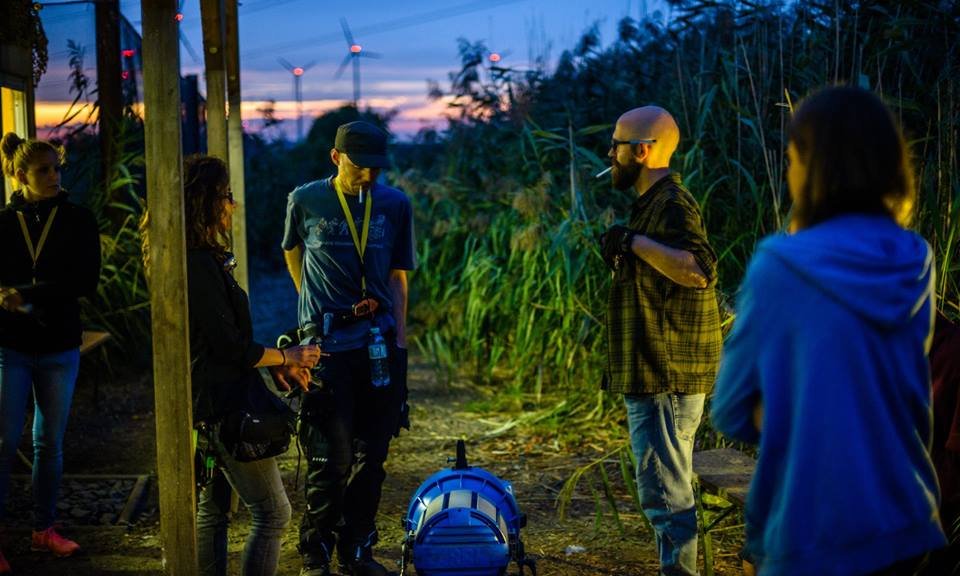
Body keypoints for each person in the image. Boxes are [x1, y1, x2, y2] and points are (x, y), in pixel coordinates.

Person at [711, 85, 947, 575]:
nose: (789, 173)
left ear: (813, 165)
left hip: (815, 527)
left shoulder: (781, 263)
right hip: (906, 518)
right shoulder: (916, 257)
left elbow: (731, 409)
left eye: (792, 158)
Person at [142, 155, 321, 576]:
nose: (232, 204)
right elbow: (229, 346)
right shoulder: (197, 265)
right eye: (225, 195)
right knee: (273, 512)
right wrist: (288, 357)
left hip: (207, 399)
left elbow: (221, 342)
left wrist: (271, 362)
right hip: (221, 405)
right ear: (204, 201)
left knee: (213, 510)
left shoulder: (190, 258)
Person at [281, 121, 415, 576]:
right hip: (327, 348)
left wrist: (400, 342)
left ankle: (357, 547)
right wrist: (308, 306)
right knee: (330, 455)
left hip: (378, 345)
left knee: (371, 456)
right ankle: (315, 548)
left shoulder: (395, 204)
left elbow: (398, 277)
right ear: (336, 158)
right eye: (360, 167)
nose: (369, 175)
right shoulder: (305, 199)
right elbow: (292, 249)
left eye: (377, 167)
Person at [599, 107, 722, 575]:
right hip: (657, 368)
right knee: (668, 486)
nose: (609, 153)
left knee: (665, 494)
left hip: (664, 371)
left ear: (642, 151)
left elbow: (699, 269)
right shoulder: (652, 203)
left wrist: (632, 243)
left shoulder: (671, 202)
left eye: (616, 144)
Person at [0, 133, 101, 573]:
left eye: (56, 168)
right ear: (21, 175)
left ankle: (44, 529)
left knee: (49, 443)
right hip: (11, 345)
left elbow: (85, 281)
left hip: (60, 345)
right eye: (43, 170)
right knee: (4, 441)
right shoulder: (4, 223)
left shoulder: (78, 219)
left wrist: (25, 293)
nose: (54, 176)